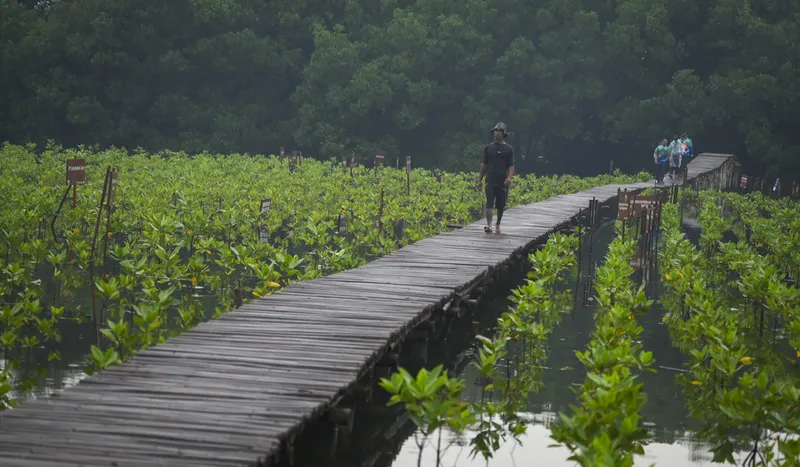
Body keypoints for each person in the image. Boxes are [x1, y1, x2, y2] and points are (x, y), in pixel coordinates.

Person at [476, 122, 515, 233]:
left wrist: (509, 177)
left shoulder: (508, 149)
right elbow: (484, 164)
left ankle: (498, 223)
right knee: (489, 203)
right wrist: (480, 179)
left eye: (499, 131)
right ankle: (489, 225)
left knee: (501, 205)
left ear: (503, 134)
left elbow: (511, 165)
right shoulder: (488, 148)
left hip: (502, 181)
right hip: (490, 180)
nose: (496, 133)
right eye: (495, 131)